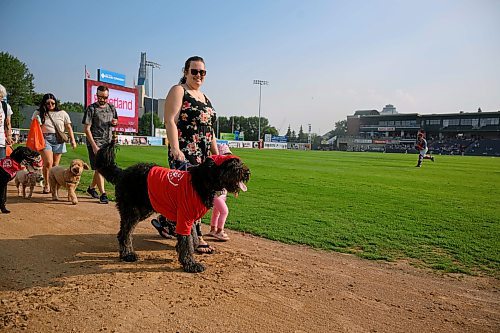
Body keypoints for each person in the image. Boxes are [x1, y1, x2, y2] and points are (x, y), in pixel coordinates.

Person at [152, 56, 219, 254]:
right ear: (186, 72)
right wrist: (175, 148)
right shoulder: (178, 90)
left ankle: (165, 222)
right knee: (193, 196)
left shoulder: (205, 98)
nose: (199, 75)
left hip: (204, 154)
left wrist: (216, 155)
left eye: (202, 72)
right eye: (195, 71)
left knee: (191, 195)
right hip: (185, 151)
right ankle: (196, 238)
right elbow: (170, 120)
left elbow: (210, 130)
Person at [32, 93, 77, 193]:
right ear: (44, 103)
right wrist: (38, 122)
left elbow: (68, 127)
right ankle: (47, 184)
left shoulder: (62, 113)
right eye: (48, 103)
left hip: (59, 139)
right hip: (44, 138)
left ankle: (54, 186)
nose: (51, 105)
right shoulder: (38, 112)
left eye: (53, 103)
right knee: (48, 163)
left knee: (56, 165)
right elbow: (34, 127)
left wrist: (73, 140)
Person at [82, 85, 118, 204]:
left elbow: (115, 122)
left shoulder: (111, 108)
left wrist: (114, 123)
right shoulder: (91, 109)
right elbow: (86, 129)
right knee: (99, 168)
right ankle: (103, 194)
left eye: (105, 97)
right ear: (96, 96)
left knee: (101, 168)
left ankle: (91, 188)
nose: (102, 99)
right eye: (100, 97)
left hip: (107, 142)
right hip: (95, 141)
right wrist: (93, 146)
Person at [207, 143, 232, 241]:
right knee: (224, 211)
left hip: (221, 195)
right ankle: (219, 231)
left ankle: (213, 229)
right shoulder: (215, 169)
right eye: (225, 155)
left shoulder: (224, 169)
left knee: (216, 212)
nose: (227, 157)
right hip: (216, 194)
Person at [0, 84, 13, 159]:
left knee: (1, 166)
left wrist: (9, 136)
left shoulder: (6, 106)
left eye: (1, 95)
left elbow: (8, 122)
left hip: (1, 142)